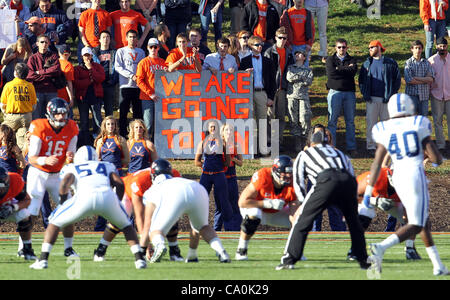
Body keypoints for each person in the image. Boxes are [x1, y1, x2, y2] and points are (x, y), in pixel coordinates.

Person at [364, 93, 448, 276]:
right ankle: (381, 247)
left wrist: (368, 192)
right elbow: (435, 157)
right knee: (417, 223)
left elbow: (377, 163)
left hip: (397, 176)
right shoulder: (418, 123)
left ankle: (438, 265)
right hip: (415, 174)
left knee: (422, 221)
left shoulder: (383, 127)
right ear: (410, 107)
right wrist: (437, 160)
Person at [29, 145, 147, 270]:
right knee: (126, 226)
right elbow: (119, 183)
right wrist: (116, 201)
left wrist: (64, 203)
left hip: (84, 197)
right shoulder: (106, 165)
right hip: (107, 196)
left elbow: (64, 184)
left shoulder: (72, 167)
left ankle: (43, 259)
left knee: (54, 222)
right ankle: (139, 259)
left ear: (78, 157)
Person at [276, 130, 370, 270]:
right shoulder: (339, 153)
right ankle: (363, 260)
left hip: (326, 180)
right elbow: (351, 174)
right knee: (354, 223)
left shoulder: (305, 153)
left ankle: (288, 259)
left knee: (302, 221)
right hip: (347, 181)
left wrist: (302, 203)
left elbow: (298, 180)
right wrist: (352, 201)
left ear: (311, 143)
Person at [139, 158, 231, 263]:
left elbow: (147, 225)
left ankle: (159, 245)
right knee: (202, 227)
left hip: (176, 194)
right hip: (197, 188)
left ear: (153, 175)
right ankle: (219, 251)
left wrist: (142, 251)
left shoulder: (153, 190)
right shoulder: (177, 179)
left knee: (155, 230)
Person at [93, 164, 184, 262]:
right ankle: (100, 251)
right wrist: (146, 246)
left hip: (151, 194)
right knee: (119, 221)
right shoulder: (140, 181)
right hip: (127, 193)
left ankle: (174, 252)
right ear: (152, 176)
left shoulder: (176, 175)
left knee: (170, 217)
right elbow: (139, 216)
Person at [25, 97, 79, 258]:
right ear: (50, 114)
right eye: (58, 114)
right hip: (38, 172)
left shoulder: (72, 127)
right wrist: (45, 160)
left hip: (57, 175)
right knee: (33, 210)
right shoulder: (39, 126)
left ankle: (68, 248)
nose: (62, 117)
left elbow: (72, 155)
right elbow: (31, 158)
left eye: (64, 113)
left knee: (69, 209)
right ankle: (25, 247)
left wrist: (70, 157)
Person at [235, 155, 300, 260]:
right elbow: (242, 202)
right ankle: (241, 249)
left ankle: (292, 251)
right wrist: (267, 203)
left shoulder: (294, 182)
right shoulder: (263, 176)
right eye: (285, 172)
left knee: (300, 219)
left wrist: (297, 223)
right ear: (275, 171)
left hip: (276, 213)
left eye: (290, 172)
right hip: (256, 207)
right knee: (254, 214)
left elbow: (294, 212)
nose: (288, 175)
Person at [353, 165, 422, 261]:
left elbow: (408, 211)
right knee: (365, 213)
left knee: (413, 219)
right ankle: (354, 249)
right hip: (367, 197)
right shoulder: (377, 176)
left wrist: (406, 220)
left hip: (393, 202)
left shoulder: (409, 184)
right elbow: (355, 195)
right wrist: (374, 201)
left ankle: (410, 249)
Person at [358, 40, 401, 155]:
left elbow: (397, 79)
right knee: (371, 124)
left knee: (386, 125)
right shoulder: (367, 63)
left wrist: (391, 94)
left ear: (379, 47)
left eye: (372, 47)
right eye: (369, 48)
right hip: (371, 99)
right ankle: (371, 146)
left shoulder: (390, 63)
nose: (369, 50)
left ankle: (385, 147)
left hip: (386, 99)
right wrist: (365, 93)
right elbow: (361, 80)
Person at [239, 35, 276, 156]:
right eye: (257, 45)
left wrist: (270, 97)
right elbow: (238, 79)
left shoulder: (268, 61)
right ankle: (252, 150)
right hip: (248, 93)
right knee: (250, 121)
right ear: (250, 46)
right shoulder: (244, 61)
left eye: (261, 45)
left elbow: (272, 81)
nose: (260, 47)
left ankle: (263, 149)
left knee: (263, 121)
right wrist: (244, 74)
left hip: (262, 92)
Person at [195, 120, 231, 231]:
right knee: (201, 200)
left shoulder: (223, 142)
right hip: (206, 175)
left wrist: (220, 168)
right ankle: (200, 226)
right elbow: (196, 161)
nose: (213, 129)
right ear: (208, 128)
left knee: (220, 202)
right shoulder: (202, 142)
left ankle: (217, 229)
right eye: (211, 127)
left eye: (215, 127)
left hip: (218, 175)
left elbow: (228, 160)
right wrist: (205, 167)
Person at [326, 38, 358, 156]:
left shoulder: (352, 59)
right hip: (335, 92)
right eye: (339, 47)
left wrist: (339, 69)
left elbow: (352, 72)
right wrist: (345, 69)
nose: (341, 49)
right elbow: (331, 74)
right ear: (335, 48)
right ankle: (331, 147)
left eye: (344, 47)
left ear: (347, 48)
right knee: (332, 121)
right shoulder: (330, 60)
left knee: (350, 121)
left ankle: (351, 147)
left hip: (349, 93)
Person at [264, 27, 294, 150]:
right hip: (271, 88)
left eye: (284, 38)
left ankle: (278, 142)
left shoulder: (289, 53)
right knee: (269, 116)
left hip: (283, 89)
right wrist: (268, 89)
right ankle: (269, 142)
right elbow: (265, 73)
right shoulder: (269, 52)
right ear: (275, 38)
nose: (282, 40)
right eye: (280, 38)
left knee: (281, 116)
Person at [0, 167, 36, 260]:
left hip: (8, 208)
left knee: (24, 213)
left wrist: (14, 207)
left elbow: (27, 200)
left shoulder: (15, 180)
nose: (1, 190)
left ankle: (27, 249)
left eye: (3, 185)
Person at [115, 29, 146, 138]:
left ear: (137, 39)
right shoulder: (121, 51)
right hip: (125, 86)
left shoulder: (141, 52)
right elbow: (118, 67)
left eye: (134, 37)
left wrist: (139, 78)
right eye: (130, 37)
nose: (132, 39)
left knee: (137, 113)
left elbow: (143, 67)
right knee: (123, 112)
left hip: (138, 86)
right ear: (126, 38)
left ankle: (137, 135)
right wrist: (131, 75)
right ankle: (122, 134)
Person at [136, 38, 168, 140]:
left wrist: (167, 72)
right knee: (148, 125)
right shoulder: (143, 62)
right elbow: (139, 81)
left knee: (161, 125)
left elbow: (170, 78)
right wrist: (150, 93)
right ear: (147, 48)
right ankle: (147, 147)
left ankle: (159, 147)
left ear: (158, 48)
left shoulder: (163, 62)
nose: (153, 49)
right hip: (147, 97)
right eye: (151, 47)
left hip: (161, 97)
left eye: (155, 47)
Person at [0, 63, 37, 150]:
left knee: (3, 135)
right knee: (23, 143)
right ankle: (22, 161)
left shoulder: (9, 85)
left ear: (15, 73)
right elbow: (34, 105)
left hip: (12, 117)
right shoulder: (30, 86)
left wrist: (6, 114)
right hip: (26, 117)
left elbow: (2, 105)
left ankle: (4, 156)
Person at [26, 34, 61, 120]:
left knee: (52, 118)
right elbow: (30, 75)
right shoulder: (32, 58)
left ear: (49, 43)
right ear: (37, 43)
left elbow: (56, 71)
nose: (44, 44)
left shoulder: (54, 56)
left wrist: (39, 73)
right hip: (37, 92)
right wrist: (48, 74)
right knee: (37, 118)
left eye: (46, 42)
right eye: (42, 42)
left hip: (51, 90)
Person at [74, 47, 105, 143]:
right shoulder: (78, 68)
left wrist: (91, 69)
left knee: (98, 120)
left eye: (89, 55)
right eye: (85, 55)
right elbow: (77, 84)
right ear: (82, 56)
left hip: (95, 97)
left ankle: (100, 141)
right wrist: (90, 80)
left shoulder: (97, 66)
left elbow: (101, 78)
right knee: (84, 121)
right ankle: (85, 142)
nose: (87, 57)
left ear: (92, 56)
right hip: (83, 98)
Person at [286, 49, 313, 152]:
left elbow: (308, 81)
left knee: (305, 118)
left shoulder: (308, 70)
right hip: (292, 96)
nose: (297, 55)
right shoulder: (290, 68)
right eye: (296, 53)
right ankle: (297, 142)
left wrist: (298, 78)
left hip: (303, 96)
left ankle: (305, 141)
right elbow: (290, 78)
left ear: (304, 57)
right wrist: (301, 77)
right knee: (293, 119)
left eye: (299, 53)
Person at [428, 36, 450, 156]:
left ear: (447, 47)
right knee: (437, 121)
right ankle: (441, 145)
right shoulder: (431, 61)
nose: (442, 48)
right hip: (436, 94)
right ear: (437, 47)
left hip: (449, 94)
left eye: (444, 46)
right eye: (440, 46)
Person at [221, 123, 243, 231]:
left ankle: (236, 227)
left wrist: (233, 159)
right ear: (222, 133)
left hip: (232, 177)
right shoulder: (219, 146)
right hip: (222, 177)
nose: (229, 132)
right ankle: (223, 228)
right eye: (226, 130)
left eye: (230, 130)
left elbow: (241, 163)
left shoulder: (236, 146)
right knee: (223, 203)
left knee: (234, 203)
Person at [404, 40, 434, 116]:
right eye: (416, 48)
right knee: (412, 119)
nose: (418, 50)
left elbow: (431, 79)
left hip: (424, 96)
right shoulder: (408, 63)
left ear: (422, 49)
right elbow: (409, 80)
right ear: (412, 49)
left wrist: (416, 78)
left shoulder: (426, 63)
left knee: (423, 119)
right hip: (412, 96)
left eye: (419, 48)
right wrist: (425, 80)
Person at [280, 0, 315, 66]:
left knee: (304, 69)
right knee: (291, 68)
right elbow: (282, 30)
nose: (299, 1)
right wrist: (287, 44)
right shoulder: (287, 13)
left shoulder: (307, 13)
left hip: (304, 45)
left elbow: (312, 30)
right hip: (291, 46)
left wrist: (309, 44)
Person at [92, 30, 118, 117]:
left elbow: (117, 68)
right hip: (97, 83)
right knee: (97, 108)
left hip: (109, 83)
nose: (105, 39)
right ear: (99, 39)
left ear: (110, 39)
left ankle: (110, 129)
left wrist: (113, 81)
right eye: (103, 37)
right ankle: (98, 129)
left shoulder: (114, 53)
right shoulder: (94, 52)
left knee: (109, 109)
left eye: (108, 37)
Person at [56, 44, 75, 117]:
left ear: (59, 53)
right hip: (65, 97)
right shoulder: (68, 65)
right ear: (69, 54)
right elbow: (68, 82)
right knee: (67, 119)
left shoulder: (54, 63)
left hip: (54, 94)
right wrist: (71, 98)